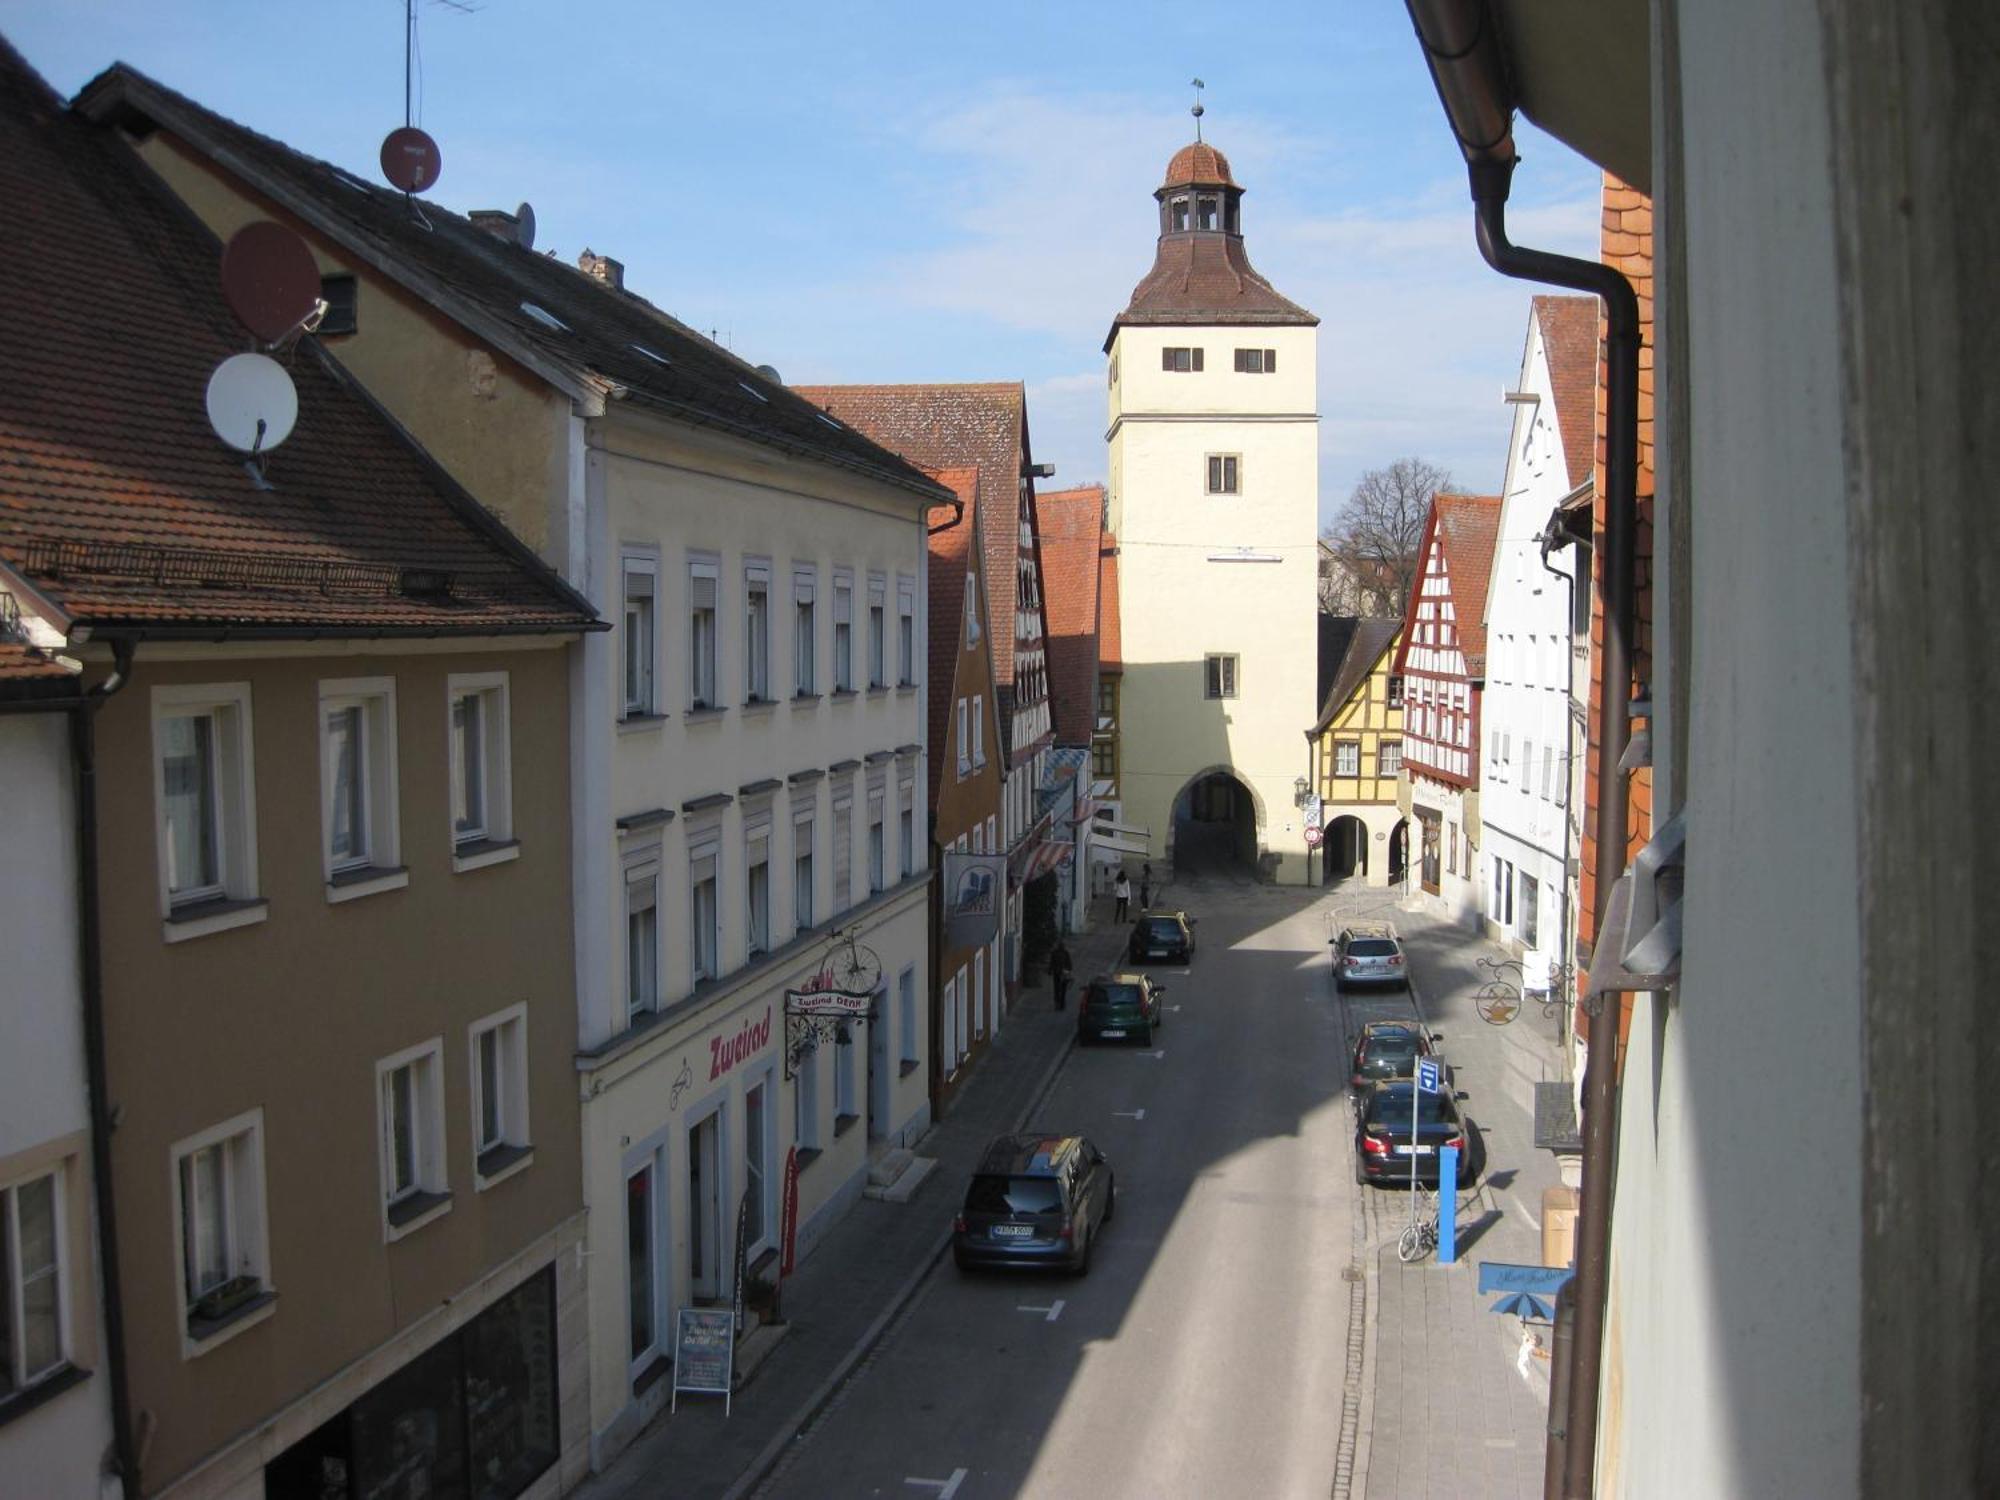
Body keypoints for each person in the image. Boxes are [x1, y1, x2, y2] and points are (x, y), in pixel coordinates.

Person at [1049, 938, 1073, 1010]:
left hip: (1058, 973)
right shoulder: (1065, 953)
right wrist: (1068, 970)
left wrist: (1050, 971)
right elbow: (1069, 964)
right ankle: (1061, 1004)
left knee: (1057, 989)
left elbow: (1052, 963)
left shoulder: (1055, 953)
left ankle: (1058, 1004)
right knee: (1062, 990)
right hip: (1062, 974)